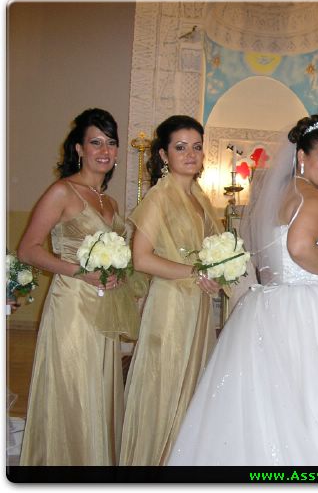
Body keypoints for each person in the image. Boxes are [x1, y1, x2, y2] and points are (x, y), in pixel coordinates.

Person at [168, 115, 318, 466]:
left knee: (266, 404)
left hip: (267, 305)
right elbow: (299, 248)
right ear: (301, 157)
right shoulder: (315, 198)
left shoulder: (276, 196)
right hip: (310, 307)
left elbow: (266, 262)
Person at [18, 108, 138, 465]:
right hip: (72, 304)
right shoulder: (62, 191)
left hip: (104, 306)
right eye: (95, 142)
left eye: (111, 143)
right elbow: (28, 250)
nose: (105, 150)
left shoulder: (110, 202)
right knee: (73, 386)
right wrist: (80, 271)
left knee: (98, 387)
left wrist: (119, 272)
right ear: (79, 148)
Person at [120, 115, 224, 466]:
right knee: (165, 385)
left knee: (191, 386)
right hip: (170, 307)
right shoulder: (158, 197)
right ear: (164, 155)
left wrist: (217, 273)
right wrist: (195, 272)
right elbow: (141, 258)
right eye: (180, 147)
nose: (191, 154)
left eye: (196, 147)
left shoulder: (199, 196)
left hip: (197, 306)